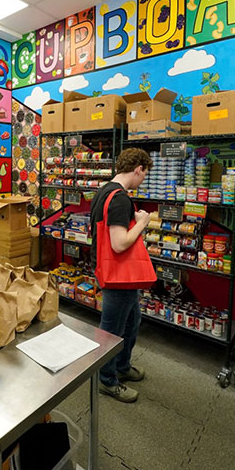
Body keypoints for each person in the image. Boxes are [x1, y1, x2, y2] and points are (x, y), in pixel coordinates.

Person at [89, 147, 153, 403]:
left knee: (131, 320)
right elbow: (119, 243)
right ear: (138, 169)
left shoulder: (104, 191)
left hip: (110, 269)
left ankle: (122, 366)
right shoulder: (120, 199)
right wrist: (142, 222)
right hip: (118, 274)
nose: (143, 179)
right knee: (112, 329)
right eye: (144, 174)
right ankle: (107, 380)